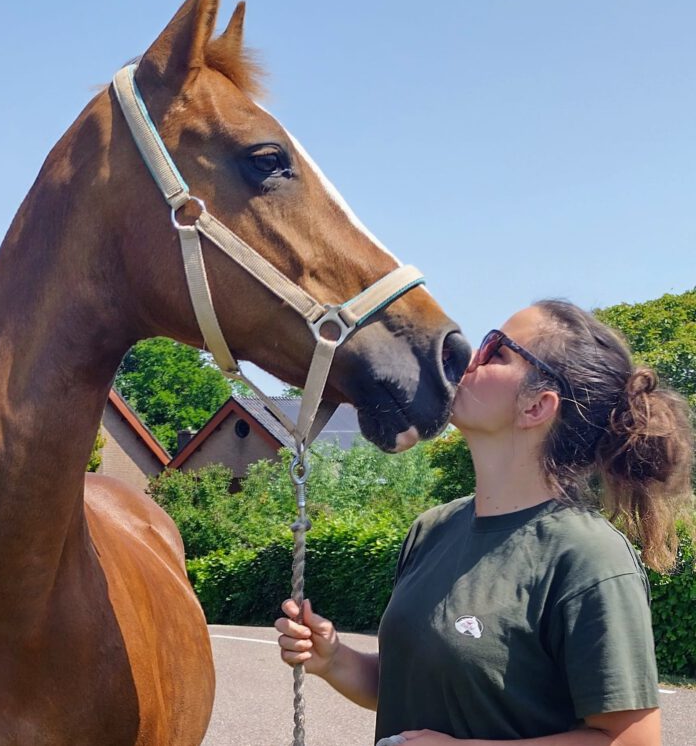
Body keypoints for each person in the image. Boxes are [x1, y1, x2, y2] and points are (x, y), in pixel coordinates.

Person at [275, 300, 694, 745]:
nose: (471, 355)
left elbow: (631, 740)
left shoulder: (588, 556)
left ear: (537, 406)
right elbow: (414, 687)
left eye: (497, 349)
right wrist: (335, 660)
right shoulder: (432, 529)